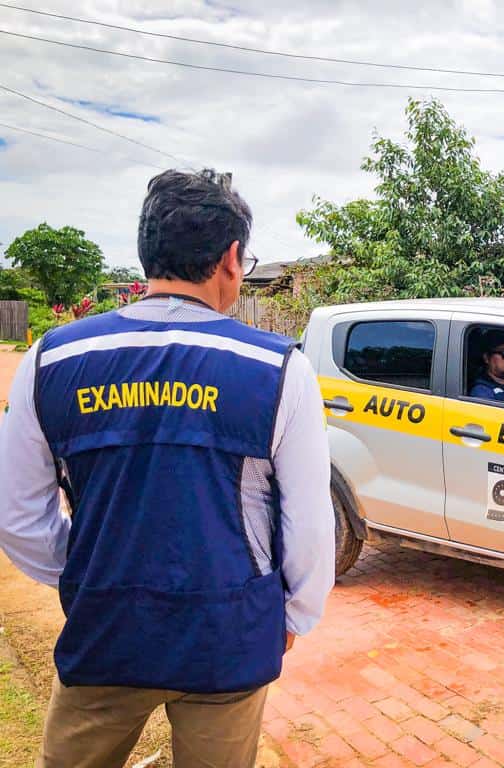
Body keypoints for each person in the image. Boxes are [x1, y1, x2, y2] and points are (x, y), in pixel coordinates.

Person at [0, 169, 336, 768]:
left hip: (105, 632)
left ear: (147, 252)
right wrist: (294, 616)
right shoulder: (279, 370)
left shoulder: (53, 359)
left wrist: (86, 577)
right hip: (228, 635)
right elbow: (309, 522)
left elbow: (17, 516)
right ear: (231, 257)